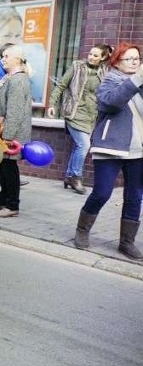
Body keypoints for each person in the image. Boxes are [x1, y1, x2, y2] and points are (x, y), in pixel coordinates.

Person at [73, 42, 143, 261]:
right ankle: (82, 230)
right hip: (110, 147)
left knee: (135, 196)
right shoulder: (109, 81)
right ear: (116, 62)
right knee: (102, 192)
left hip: (138, 150)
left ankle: (126, 242)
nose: (134, 62)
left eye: (137, 59)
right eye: (129, 59)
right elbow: (111, 103)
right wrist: (136, 79)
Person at [47, 44, 112, 194]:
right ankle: (76, 177)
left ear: (103, 58)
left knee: (78, 146)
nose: (91, 57)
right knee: (84, 145)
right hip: (74, 113)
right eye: (90, 54)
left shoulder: (104, 71)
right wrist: (52, 104)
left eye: (96, 55)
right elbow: (61, 86)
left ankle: (69, 176)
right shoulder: (77, 66)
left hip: (91, 116)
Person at [0, 44, 32, 218]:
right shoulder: (10, 78)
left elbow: (15, 110)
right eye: (2, 56)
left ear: (17, 59)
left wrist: (8, 138)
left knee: (9, 169)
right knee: (2, 166)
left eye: (6, 56)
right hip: (2, 131)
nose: (2, 59)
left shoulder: (18, 80)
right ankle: (2, 200)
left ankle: (12, 205)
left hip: (11, 133)